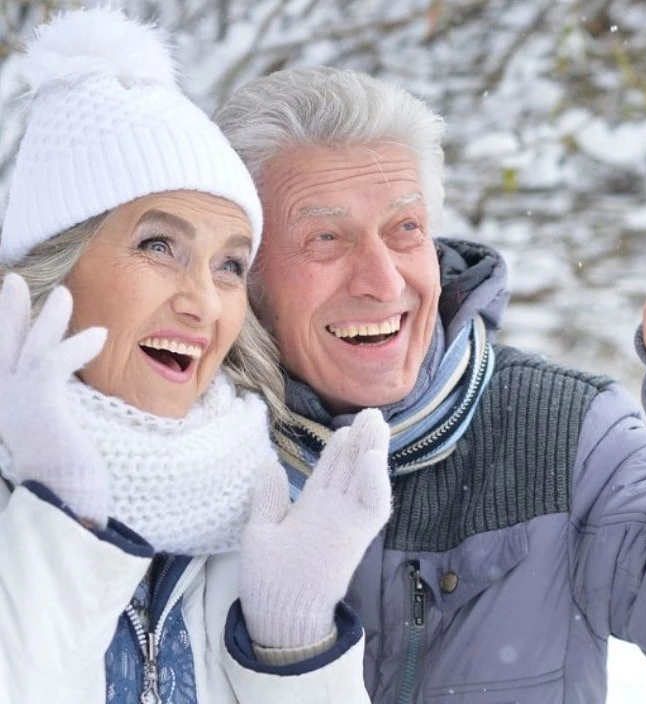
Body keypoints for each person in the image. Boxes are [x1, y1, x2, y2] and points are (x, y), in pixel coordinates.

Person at [214, 65, 646, 703]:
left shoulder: (562, 432)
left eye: (406, 230)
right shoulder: (184, 452)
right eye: (325, 237)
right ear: (245, 270)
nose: (382, 280)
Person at [0, 9, 390, 703]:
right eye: (158, 246)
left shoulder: (248, 509)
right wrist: (58, 525)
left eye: (230, 265)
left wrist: (288, 647)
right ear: (50, 269)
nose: (205, 303)